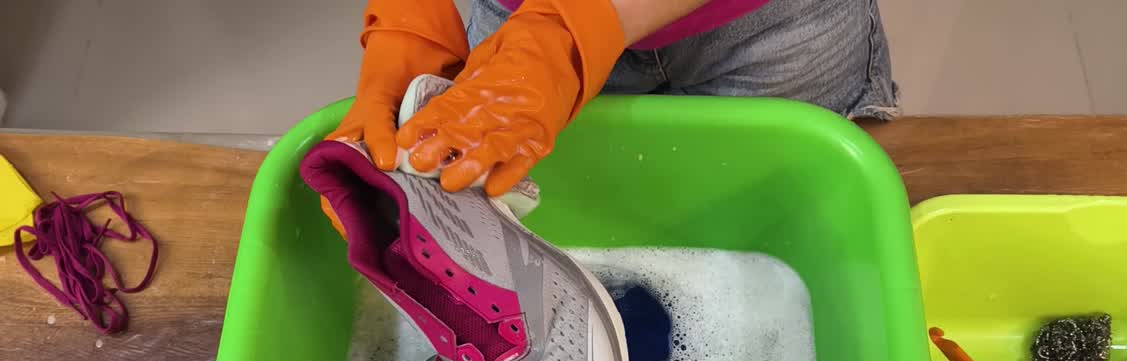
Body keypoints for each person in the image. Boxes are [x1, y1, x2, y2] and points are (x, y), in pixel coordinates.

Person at [329, 0, 897, 198]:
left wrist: (575, 26)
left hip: (773, 31)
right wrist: (411, 23)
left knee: (779, 221)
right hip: (522, 23)